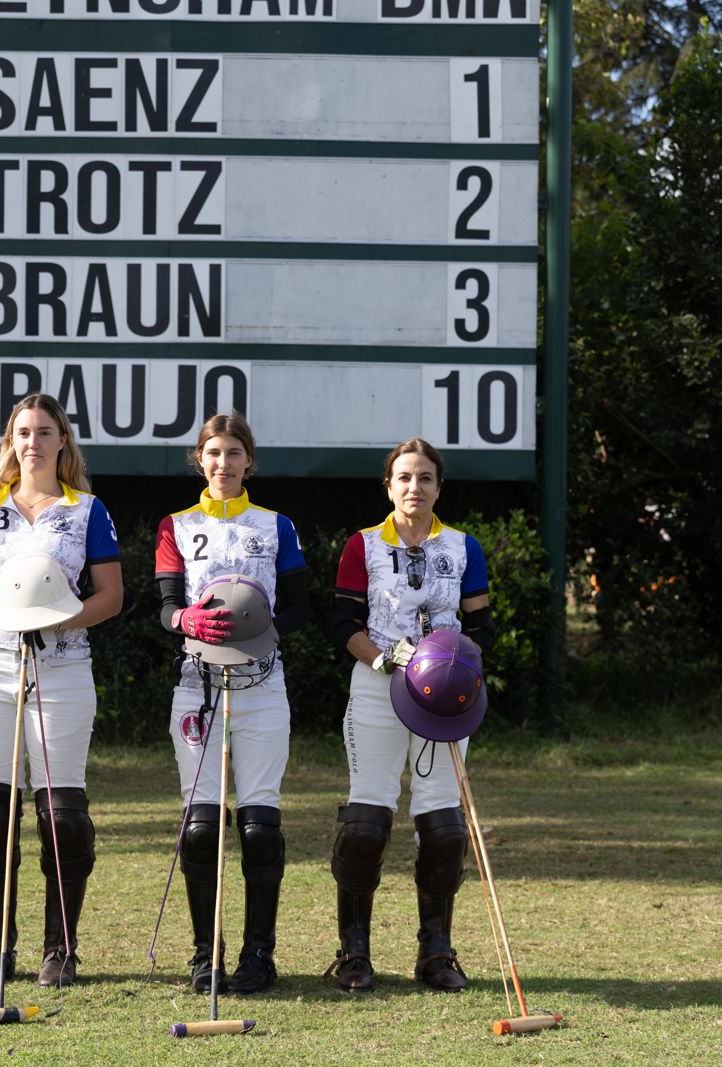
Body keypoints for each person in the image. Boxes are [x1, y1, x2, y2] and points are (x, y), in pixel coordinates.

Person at [0, 393, 123, 989]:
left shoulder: (86, 510)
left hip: (62, 670)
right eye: (23, 432)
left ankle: (60, 949)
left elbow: (111, 596)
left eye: (45, 431)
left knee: (62, 817)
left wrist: (63, 619)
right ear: (10, 441)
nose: (33, 442)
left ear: (63, 440)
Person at [324, 437, 496, 994]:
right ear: (389, 486)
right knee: (366, 823)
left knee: (443, 827)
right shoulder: (363, 545)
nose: (414, 487)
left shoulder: (464, 547)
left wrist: (454, 666)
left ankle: (436, 953)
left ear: (438, 487)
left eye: (424, 477)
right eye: (404, 477)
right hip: (378, 688)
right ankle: (354, 953)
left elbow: (481, 626)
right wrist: (383, 660)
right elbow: (343, 624)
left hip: (444, 699)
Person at [154, 413, 310, 995]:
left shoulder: (276, 525)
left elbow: (300, 606)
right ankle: (206, 955)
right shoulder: (176, 524)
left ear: (250, 461)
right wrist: (184, 620)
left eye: (234, 452)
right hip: (197, 688)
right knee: (200, 828)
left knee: (259, 828)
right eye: (214, 452)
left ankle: (258, 955)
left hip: (262, 689)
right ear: (200, 459)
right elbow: (166, 605)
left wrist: (261, 629)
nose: (224, 463)